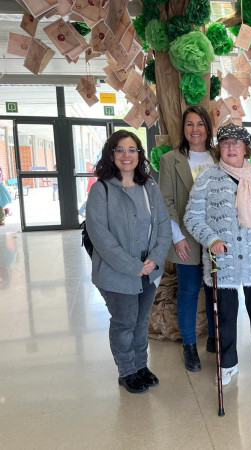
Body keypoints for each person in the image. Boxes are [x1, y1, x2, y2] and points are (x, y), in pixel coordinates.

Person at [184, 123, 251, 387]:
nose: (231, 147)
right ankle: (227, 363)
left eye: (237, 143)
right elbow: (192, 217)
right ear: (219, 148)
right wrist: (211, 238)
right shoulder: (207, 177)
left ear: (246, 149)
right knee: (225, 318)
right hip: (223, 262)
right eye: (226, 142)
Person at [86, 130, 171, 394]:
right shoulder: (101, 190)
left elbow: (163, 226)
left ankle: (141, 366)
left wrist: (154, 259)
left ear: (139, 155)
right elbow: (100, 237)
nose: (126, 155)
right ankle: (127, 371)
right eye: (120, 149)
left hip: (148, 271)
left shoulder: (150, 187)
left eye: (132, 150)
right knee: (125, 322)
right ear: (111, 154)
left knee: (141, 321)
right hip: (117, 274)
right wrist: (133, 266)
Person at [159, 106, 216, 373]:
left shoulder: (218, 155)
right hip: (187, 238)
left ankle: (216, 338)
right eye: (190, 124)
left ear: (208, 127)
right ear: (183, 129)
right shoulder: (171, 159)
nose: (195, 130)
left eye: (200, 124)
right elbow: (166, 201)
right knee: (189, 292)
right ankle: (190, 346)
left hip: (217, 237)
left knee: (218, 290)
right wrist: (177, 237)